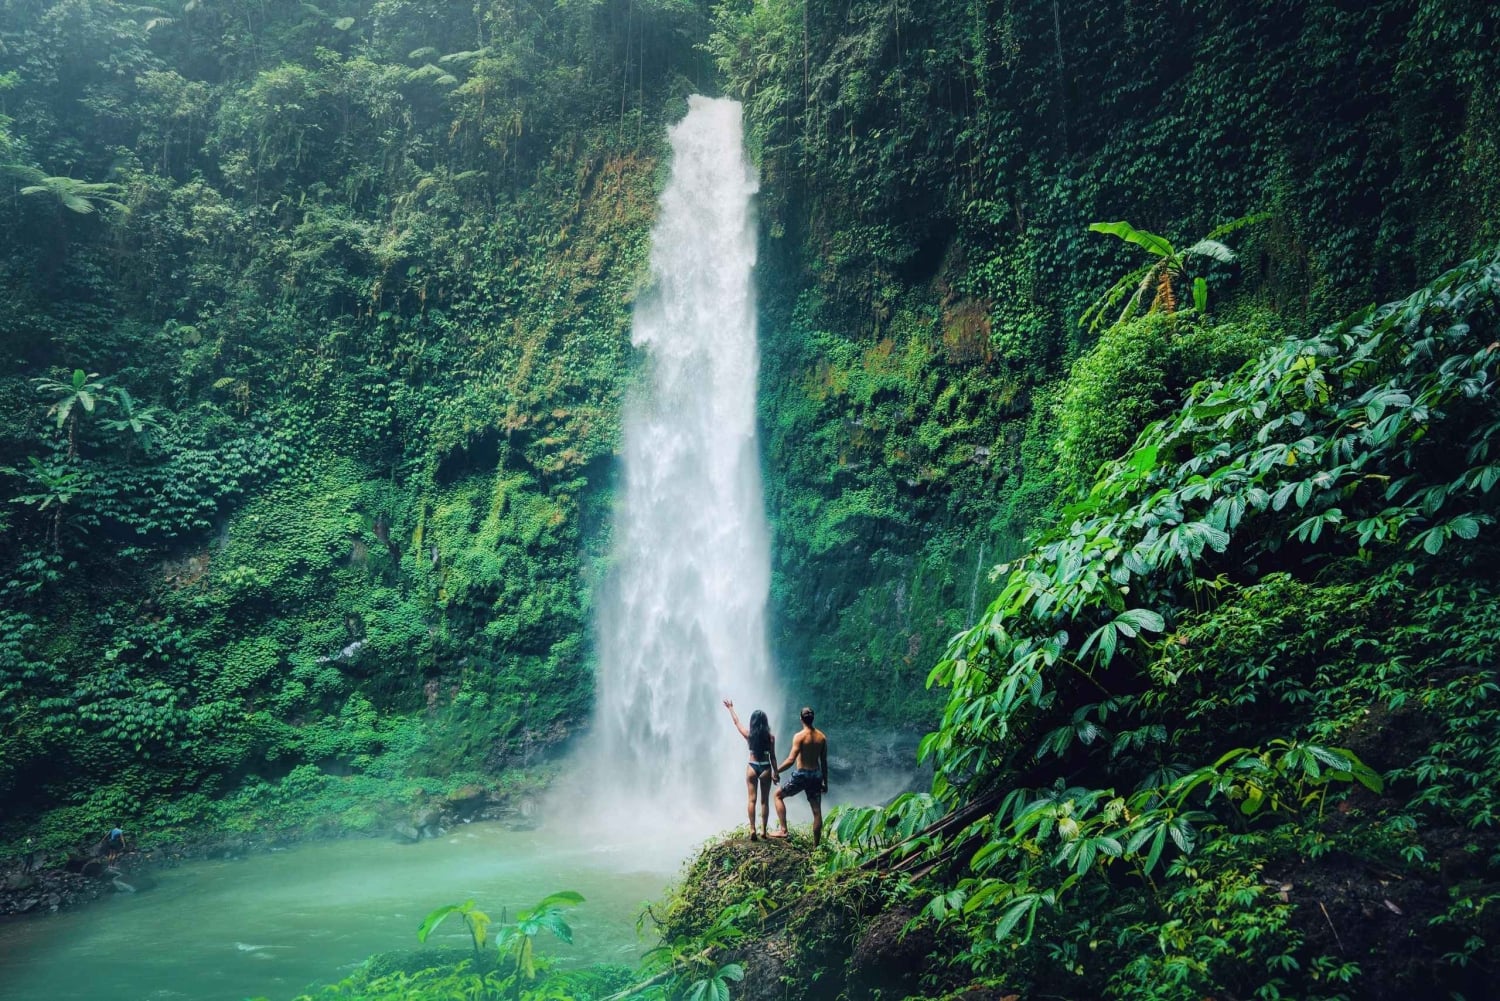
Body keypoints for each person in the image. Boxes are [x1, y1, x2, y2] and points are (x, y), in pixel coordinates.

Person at [771, 706, 829, 845]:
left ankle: (783, 830)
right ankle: (816, 846)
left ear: (801, 719)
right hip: (816, 775)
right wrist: (825, 783)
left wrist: (776, 771)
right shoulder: (822, 737)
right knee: (817, 812)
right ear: (813, 718)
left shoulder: (799, 736)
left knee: (778, 795)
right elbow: (824, 762)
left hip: (802, 775)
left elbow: (791, 760)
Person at [723, 699, 779, 840]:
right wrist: (775, 772)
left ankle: (752, 829)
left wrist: (730, 708)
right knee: (764, 801)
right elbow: (773, 756)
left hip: (752, 767)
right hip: (765, 767)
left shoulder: (749, 735)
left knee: (751, 800)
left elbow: (737, 723)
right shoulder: (770, 738)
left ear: (752, 722)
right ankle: (764, 831)